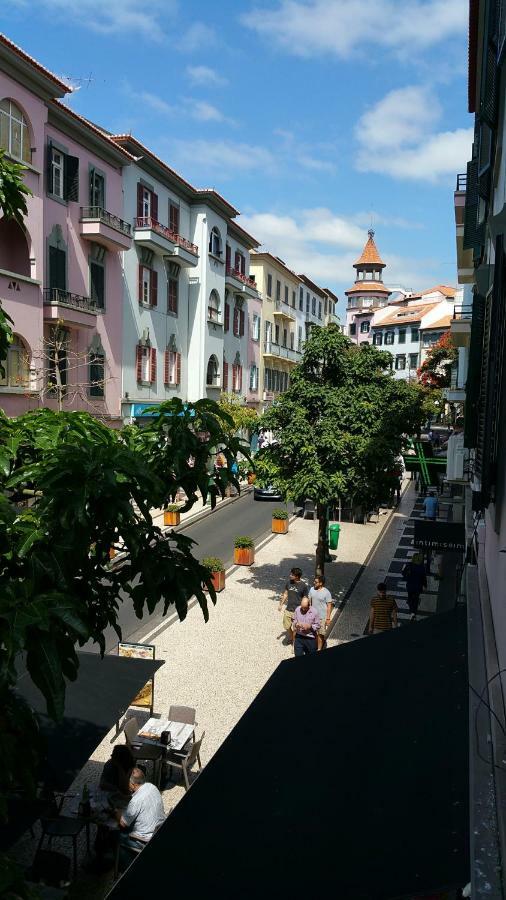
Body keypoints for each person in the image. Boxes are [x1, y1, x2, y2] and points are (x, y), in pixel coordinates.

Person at [116, 768, 165, 861]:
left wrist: (115, 810)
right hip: (158, 828)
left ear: (133, 784)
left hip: (144, 839)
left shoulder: (136, 801)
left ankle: (124, 865)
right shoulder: (152, 786)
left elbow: (123, 823)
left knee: (114, 834)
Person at [278, 567, 309, 644]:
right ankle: (292, 637)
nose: (290, 575)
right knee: (286, 626)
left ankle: (294, 644)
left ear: (297, 576)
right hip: (288, 609)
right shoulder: (289, 583)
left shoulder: (303, 586)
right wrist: (281, 604)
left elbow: (305, 598)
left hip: (298, 611)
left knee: (295, 629)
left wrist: (306, 610)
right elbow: (285, 594)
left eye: (292, 574)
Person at [309, 574, 333, 650]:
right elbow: (309, 601)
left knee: (320, 635)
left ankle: (319, 649)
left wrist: (328, 618)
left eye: (316, 582)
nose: (314, 583)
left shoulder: (326, 592)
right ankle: (314, 646)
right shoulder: (311, 589)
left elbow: (329, 606)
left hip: (322, 617)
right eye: (314, 581)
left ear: (321, 583)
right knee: (313, 633)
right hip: (313, 616)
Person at [401, 553, 427, 621]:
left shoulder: (409, 565)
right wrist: (425, 585)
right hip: (418, 586)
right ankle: (414, 613)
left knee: (410, 598)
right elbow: (424, 578)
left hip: (410, 585)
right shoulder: (421, 567)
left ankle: (412, 612)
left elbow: (403, 573)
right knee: (416, 599)